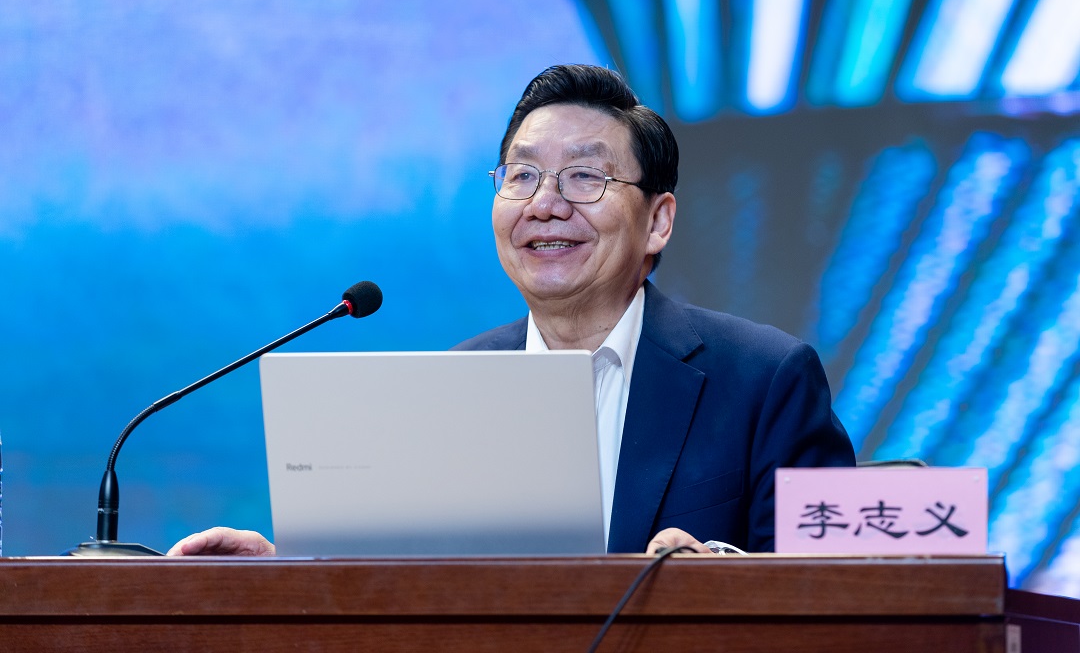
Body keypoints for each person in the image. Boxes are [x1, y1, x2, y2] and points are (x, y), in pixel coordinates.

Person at [168, 64, 854, 557]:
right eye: (522, 175)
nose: (545, 204)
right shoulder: (447, 388)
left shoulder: (766, 381)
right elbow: (401, 588)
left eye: (585, 176)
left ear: (658, 221)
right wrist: (280, 577)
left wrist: (720, 581)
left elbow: (835, 593)